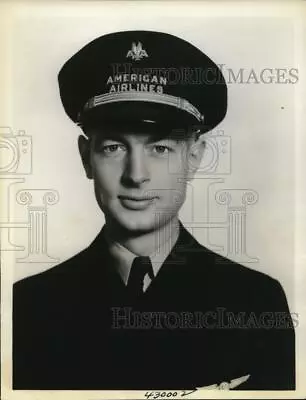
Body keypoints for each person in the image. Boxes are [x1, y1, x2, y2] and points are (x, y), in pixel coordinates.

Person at [13, 30, 295, 391]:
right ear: (86, 158)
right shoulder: (29, 307)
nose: (136, 176)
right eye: (114, 147)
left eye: (160, 149)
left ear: (194, 158)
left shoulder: (255, 302)